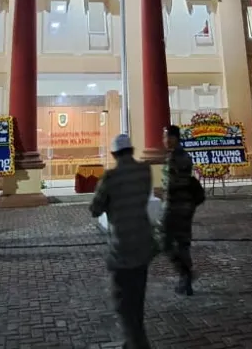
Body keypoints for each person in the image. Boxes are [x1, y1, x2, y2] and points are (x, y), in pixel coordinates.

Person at [89, 134, 154, 349]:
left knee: (123, 302)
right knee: (137, 299)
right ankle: (132, 341)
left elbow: (95, 209)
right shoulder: (145, 171)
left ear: (114, 154)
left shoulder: (110, 178)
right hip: (143, 245)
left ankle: (138, 344)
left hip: (122, 249)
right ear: (132, 150)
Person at [161, 125, 196, 296]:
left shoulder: (178, 157)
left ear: (175, 138)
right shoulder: (175, 155)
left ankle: (186, 275)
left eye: (167, 136)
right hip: (181, 206)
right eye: (164, 137)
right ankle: (186, 277)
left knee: (168, 242)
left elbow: (175, 184)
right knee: (180, 243)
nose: (164, 140)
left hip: (177, 207)